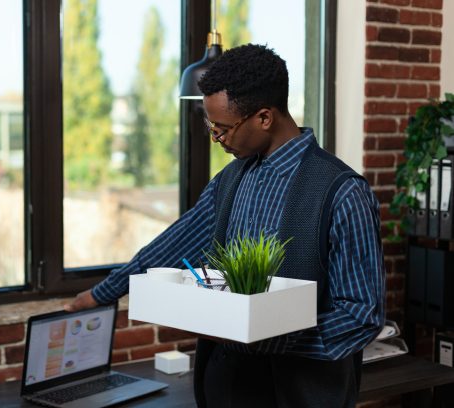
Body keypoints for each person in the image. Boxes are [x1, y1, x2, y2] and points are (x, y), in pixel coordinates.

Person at [65, 43, 385, 407]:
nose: (216, 139)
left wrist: (273, 337)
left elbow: (361, 314)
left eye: (223, 128)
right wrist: (102, 293)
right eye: (210, 126)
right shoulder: (229, 180)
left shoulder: (343, 193)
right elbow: (176, 244)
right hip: (224, 388)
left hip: (302, 392)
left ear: (264, 117)